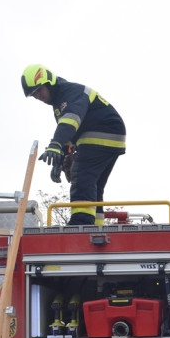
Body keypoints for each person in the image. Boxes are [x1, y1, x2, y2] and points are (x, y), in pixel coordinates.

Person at [21, 64, 127, 226]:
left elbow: (70, 121)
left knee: (82, 174)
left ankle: (81, 222)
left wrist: (55, 145)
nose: (37, 96)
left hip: (101, 133)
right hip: (110, 135)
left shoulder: (71, 93)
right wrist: (60, 158)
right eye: (33, 94)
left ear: (49, 82)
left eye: (39, 90)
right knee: (95, 185)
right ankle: (96, 226)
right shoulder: (60, 101)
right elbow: (70, 135)